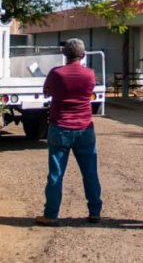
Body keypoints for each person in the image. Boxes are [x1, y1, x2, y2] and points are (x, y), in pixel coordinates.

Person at [35, 38, 102, 226]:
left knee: (56, 174)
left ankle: (51, 214)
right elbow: (89, 92)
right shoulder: (89, 74)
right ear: (83, 55)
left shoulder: (56, 74)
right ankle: (95, 211)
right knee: (90, 172)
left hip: (60, 127)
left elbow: (47, 92)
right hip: (84, 128)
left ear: (64, 54)